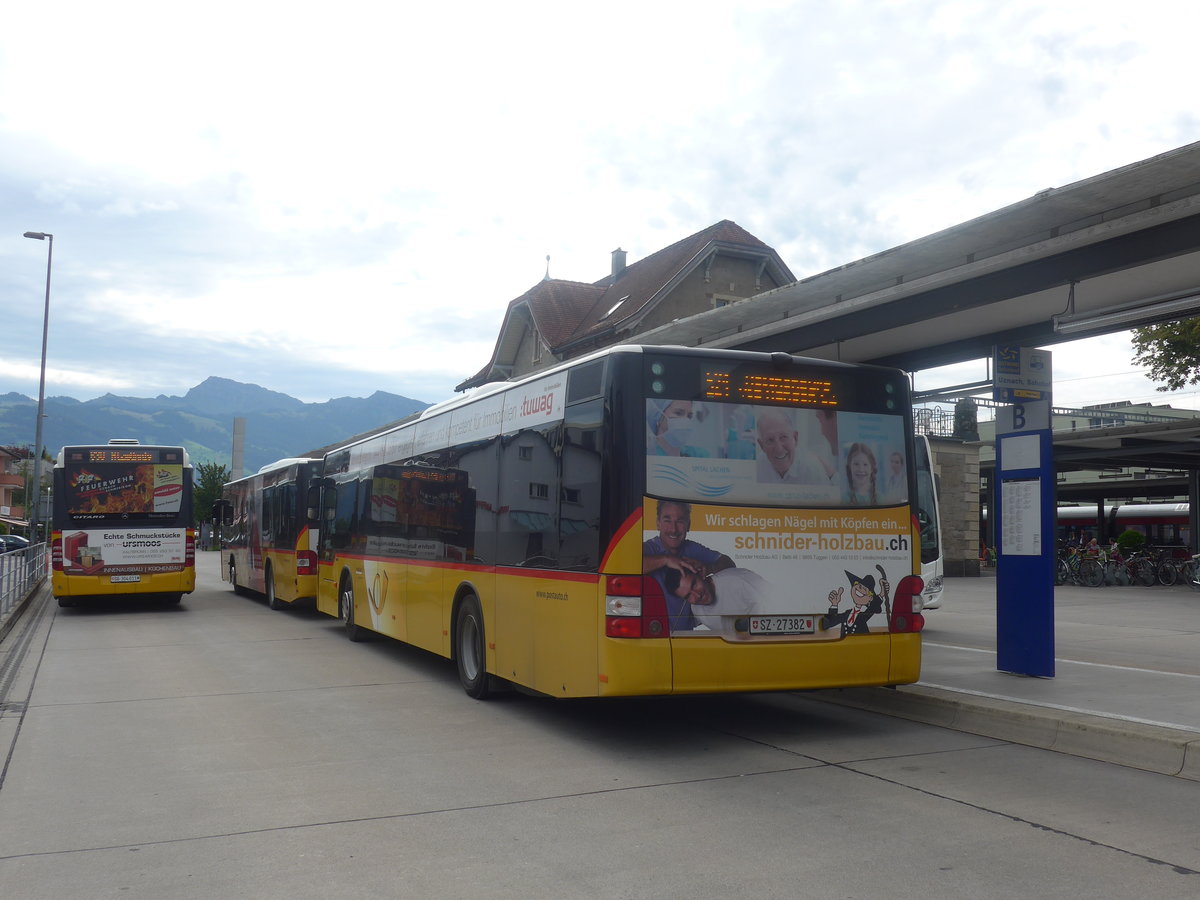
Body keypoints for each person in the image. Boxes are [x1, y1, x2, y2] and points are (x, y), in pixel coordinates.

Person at [643, 500, 734, 629]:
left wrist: (708, 568)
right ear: (658, 524)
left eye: (680, 521)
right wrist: (666, 560)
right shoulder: (648, 549)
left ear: (688, 525)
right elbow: (626, 566)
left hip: (685, 636)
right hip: (652, 636)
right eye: (667, 520)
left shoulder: (692, 548)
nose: (673, 529)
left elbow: (729, 565)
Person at [663, 565, 773, 634]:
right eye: (688, 596)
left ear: (701, 574)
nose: (697, 595)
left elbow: (778, 601)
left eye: (694, 584)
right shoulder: (696, 610)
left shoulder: (738, 579)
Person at [755, 408, 830, 484]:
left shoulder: (812, 469)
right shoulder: (756, 467)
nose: (779, 449)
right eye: (770, 440)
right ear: (762, 445)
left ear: (795, 438)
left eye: (783, 437)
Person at [822, 569, 887, 636]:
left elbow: (873, 607)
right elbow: (831, 622)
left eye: (864, 590)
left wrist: (882, 593)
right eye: (858, 586)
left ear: (870, 598)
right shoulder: (847, 613)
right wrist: (834, 604)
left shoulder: (862, 616)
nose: (859, 589)